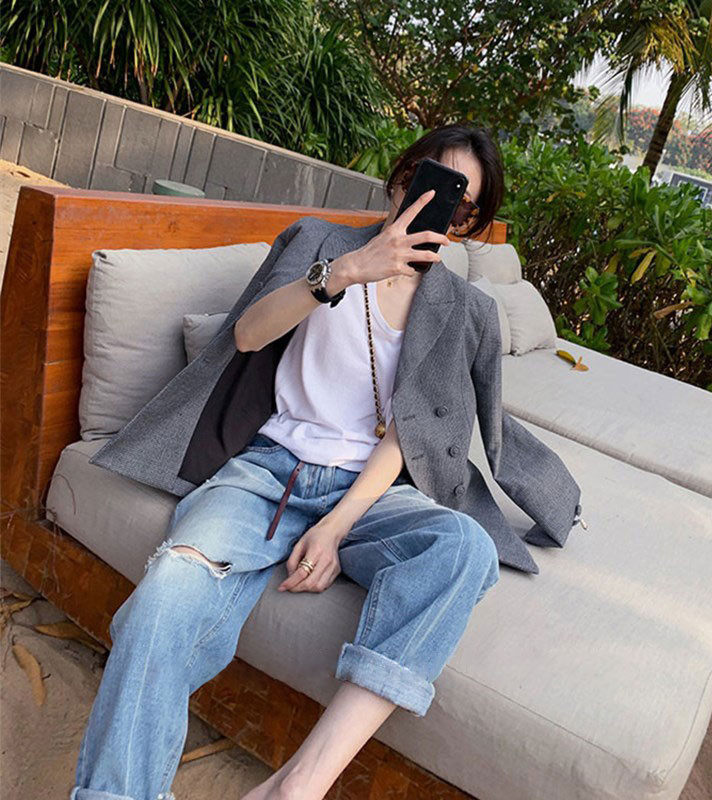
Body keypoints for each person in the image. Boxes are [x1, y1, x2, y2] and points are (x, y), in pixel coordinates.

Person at [70, 123, 508, 800]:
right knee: (166, 596)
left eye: (462, 205)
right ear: (402, 178)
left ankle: (297, 785)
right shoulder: (317, 242)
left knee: (465, 549)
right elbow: (247, 335)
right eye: (430, 182)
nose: (439, 208)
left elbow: (406, 436)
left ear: (469, 222)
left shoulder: (461, 309)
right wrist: (347, 272)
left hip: (367, 495)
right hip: (267, 471)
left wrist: (336, 527)